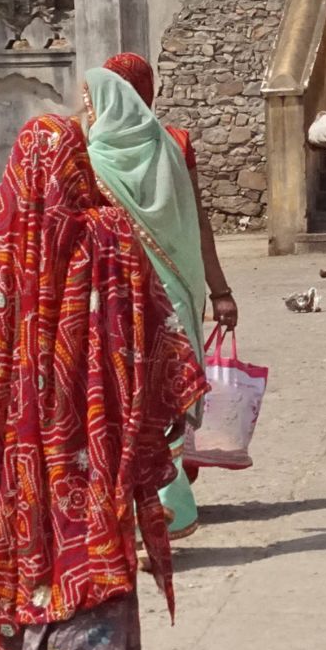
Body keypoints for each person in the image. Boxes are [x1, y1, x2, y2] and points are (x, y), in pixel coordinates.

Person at [0, 66, 212, 650]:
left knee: (45, 556)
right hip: (91, 440)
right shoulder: (108, 236)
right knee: (85, 551)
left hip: (25, 446)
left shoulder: (3, 249)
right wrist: (167, 399)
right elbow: (159, 334)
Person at [100, 52, 241, 539]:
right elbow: (198, 220)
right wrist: (218, 290)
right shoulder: (174, 142)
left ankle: (150, 503)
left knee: (127, 396)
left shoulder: (86, 151)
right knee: (167, 391)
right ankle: (167, 496)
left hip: (115, 298)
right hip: (176, 289)